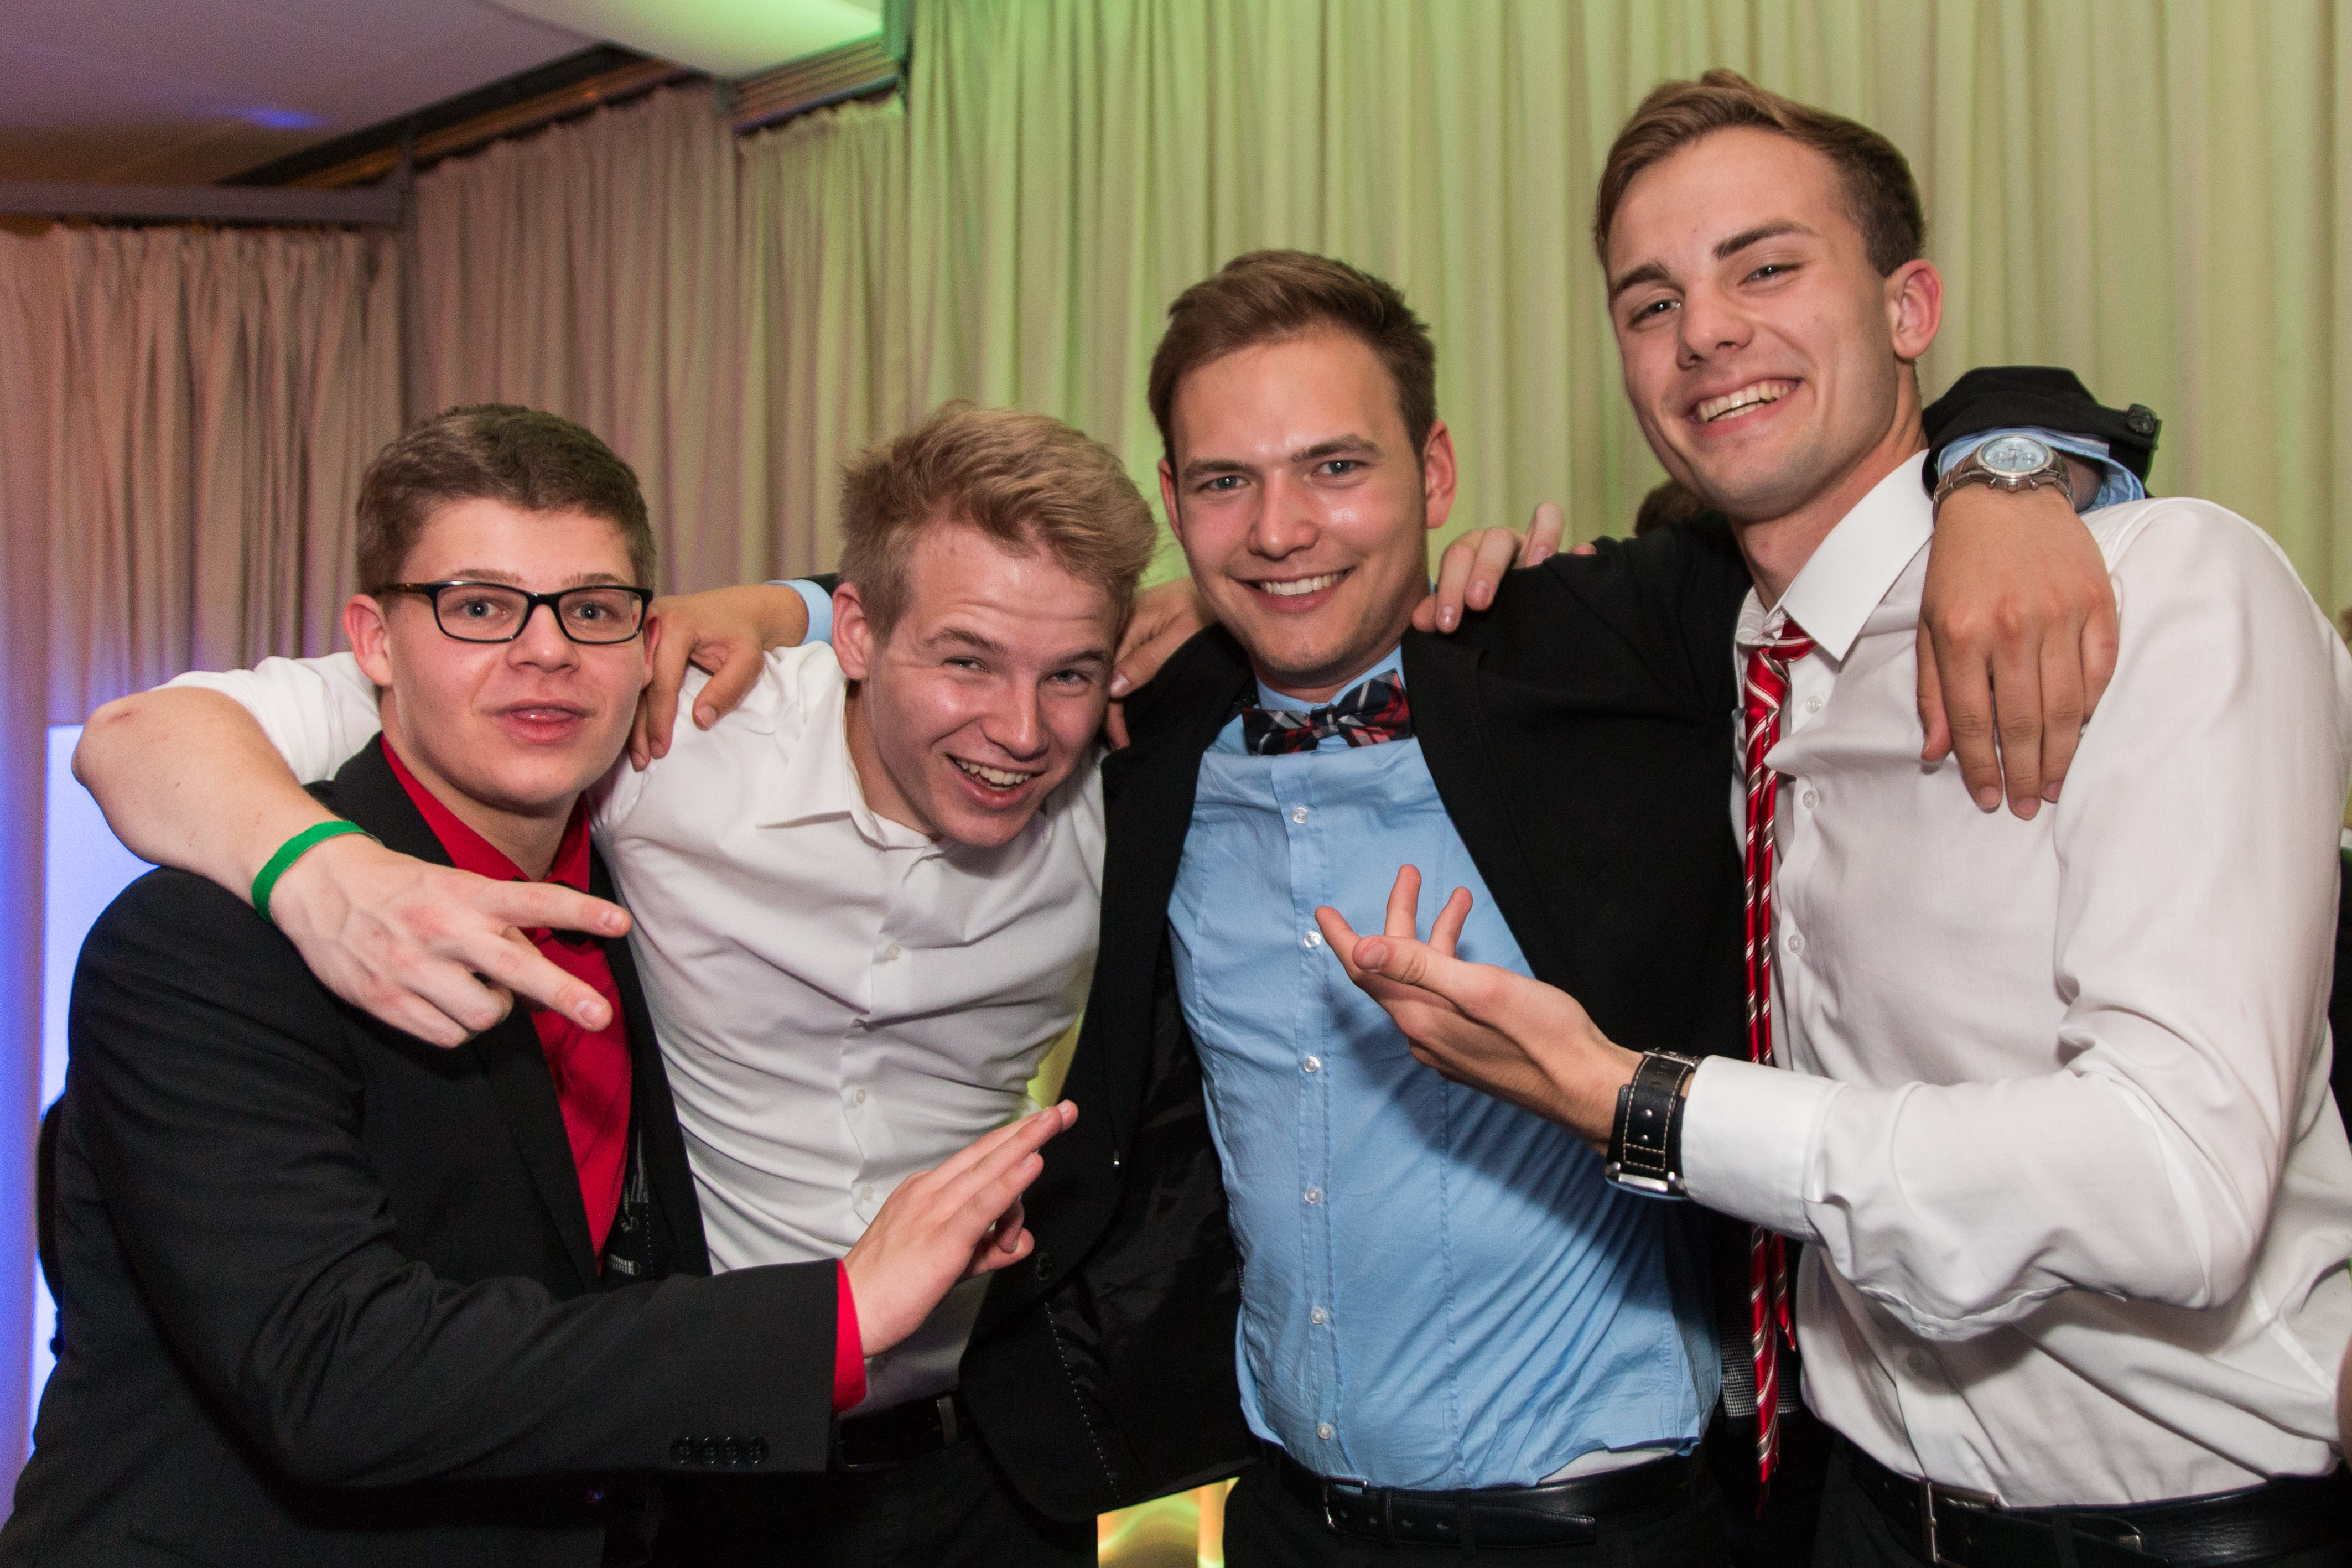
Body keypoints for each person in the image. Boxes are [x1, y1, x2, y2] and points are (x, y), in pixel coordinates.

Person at [79, 305, 2128, 1564]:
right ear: (853, 633)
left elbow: (1792, 525)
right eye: (962, 660)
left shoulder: (1147, 770)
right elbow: (148, 736)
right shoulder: (648, 725)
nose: (1020, 726)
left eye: (1070, 672)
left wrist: (2012, 458)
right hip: (682, 1452)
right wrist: (313, 867)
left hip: (1034, 1477)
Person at [1316, 73, 2352, 1567]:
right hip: (1852, 1505)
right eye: (1650, 302)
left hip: (2180, 1521)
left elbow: (2176, 1185)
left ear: (1907, 307)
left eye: (1764, 268)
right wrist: (1175, 614)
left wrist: (1638, 1101)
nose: (1704, 333)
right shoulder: (1736, 659)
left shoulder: (2166, 591)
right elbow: (1319, 590)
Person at [58, 402, 1136, 1567]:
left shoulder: (616, 883)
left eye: (591, 609)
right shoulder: (199, 939)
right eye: (479, 606)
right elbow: (330, 1372)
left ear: (647, 638)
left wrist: (786, 602)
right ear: (374, 641)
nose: (544, 651)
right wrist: (836, 1315)